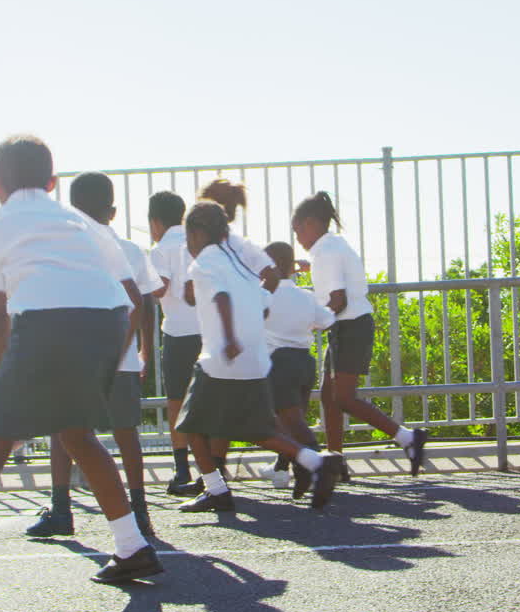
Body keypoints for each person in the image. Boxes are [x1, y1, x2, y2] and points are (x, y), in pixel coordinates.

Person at [0, 136, 162, 611]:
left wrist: (0, 388)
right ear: (54, 183)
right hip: (107, 321)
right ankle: (132, 546)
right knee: (77, 434)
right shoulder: (82, 222)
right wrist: (117, 355)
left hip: (46, 322)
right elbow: (133, 296)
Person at [174, 202, 343, 512]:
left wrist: (228, 337)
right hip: (255, 359)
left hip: (219, 360)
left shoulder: (205, 264)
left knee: (190, 426)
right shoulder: (239, 263)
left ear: (197, 233)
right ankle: (316, 462)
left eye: (189, 236)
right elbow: (264, 296)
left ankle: (216, 490)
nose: (188, 243)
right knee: (259, 430)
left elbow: (221, 298)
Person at [25, 171, 163, 539]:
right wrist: (141, 350)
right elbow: (145, 305)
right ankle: (139, 511)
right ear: (113, 210)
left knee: (63, 432)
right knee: (125, 433)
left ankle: (61, 509)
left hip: (79, 357)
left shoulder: (68, 248)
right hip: (121, 358)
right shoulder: (131, 250)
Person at [292, 192, 427, 476]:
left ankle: (407, 438)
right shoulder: (332, 247)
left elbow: (337, 300)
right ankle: (335, 462)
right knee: (329, 397)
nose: (298, 239)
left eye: (298, 231)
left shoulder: (325, 252)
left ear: (311, 224)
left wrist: (309, 323)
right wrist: (310, 268)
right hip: (349, 326)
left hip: (349, 327)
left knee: (342, 398)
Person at [183, 178, 281, 485]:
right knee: (224, 414)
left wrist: (241, 312)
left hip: (220, 336)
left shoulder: (219, 247)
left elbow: (195, 292)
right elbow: (272, 276)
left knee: (201, 415)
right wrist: (256, 304)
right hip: (232, 336)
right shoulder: (236, 244)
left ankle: (213, 478)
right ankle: (216, 472)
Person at [261, 241, 335, 498]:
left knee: (288, 422)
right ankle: (294, 469)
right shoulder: (305, 295)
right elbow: (326, 320)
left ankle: (320, 463)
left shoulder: (265, 296)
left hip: (279, 364)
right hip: (305, 362)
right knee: (295, 421)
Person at [147, 191, 205, 494]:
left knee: (176, 404)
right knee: (207, 400)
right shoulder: (197, 240)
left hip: (178, 333)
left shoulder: (161, 248)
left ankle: (182, 469)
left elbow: (160, 288)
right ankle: (213, 470)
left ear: (155, 222)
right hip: (207, 329)